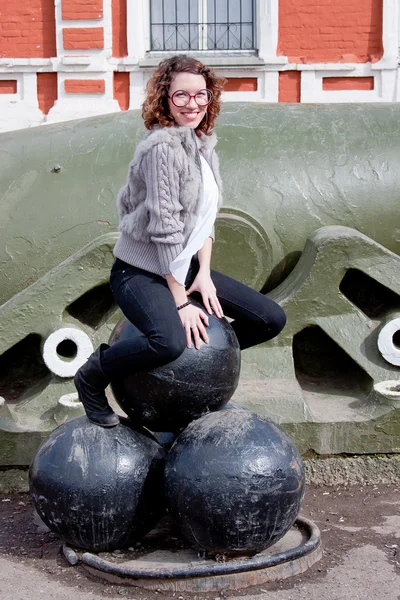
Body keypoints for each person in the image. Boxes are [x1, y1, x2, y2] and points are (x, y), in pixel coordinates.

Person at [74, 55, 286, 427]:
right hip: (140, 272)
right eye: (181, 96)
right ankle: (93, 374)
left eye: (201, 96)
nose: (193, 105)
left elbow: (204, 219)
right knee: (166, 342)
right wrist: (181, 301)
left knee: (269, 319)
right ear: (165, 100)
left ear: (210, 98)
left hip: (183, 266)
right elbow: (165, 227)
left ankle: (201, 361)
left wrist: (202, 273)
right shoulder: (162, 149)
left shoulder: (202, 145)